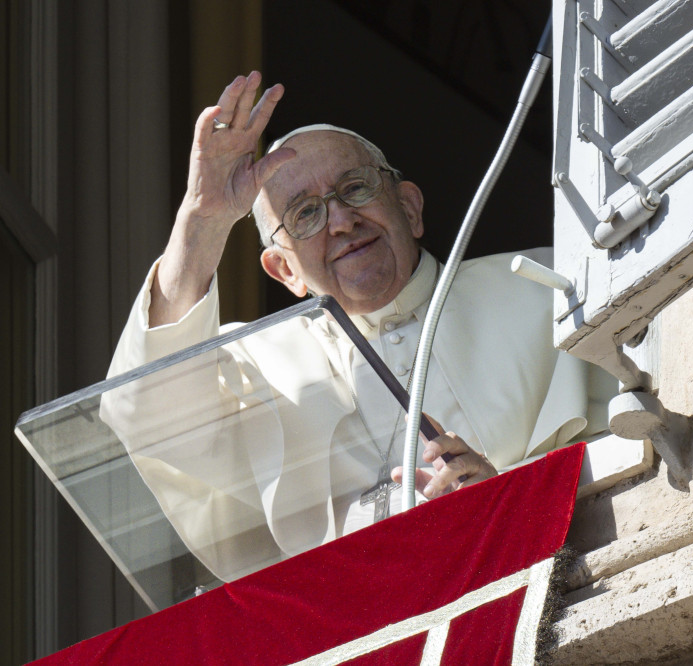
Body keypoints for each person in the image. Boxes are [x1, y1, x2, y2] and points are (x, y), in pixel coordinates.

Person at [104, 72, 613, 581]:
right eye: (304, 214)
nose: (341, 221)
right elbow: (145, 413)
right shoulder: (257, 363)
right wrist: (202, 220)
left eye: (355, 187)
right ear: (285, 272)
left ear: (410, 208)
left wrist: (512, 505)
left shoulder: (547, 287)